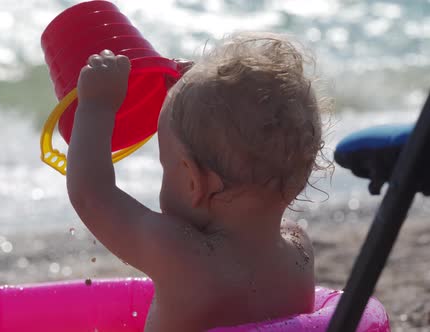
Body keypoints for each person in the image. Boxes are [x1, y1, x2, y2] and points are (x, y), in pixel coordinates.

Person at [66, 32, 327, 332]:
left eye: (166, 166)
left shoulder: (182, 257)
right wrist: (193, 101)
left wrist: (96, 106)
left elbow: (91, 194)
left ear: (194, 182)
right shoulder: (298, 250)